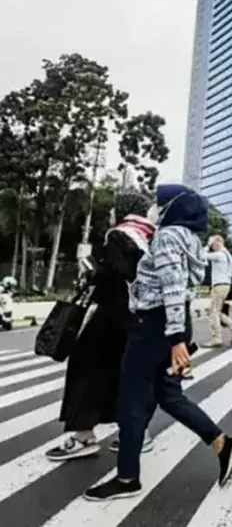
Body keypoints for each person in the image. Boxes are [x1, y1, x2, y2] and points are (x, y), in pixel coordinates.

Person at [84, 185, 232, 501]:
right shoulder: (191, 239)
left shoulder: (169, 236)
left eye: (159, 203)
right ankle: (222, 444)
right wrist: (177, 334)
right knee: (168, 395)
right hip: (170, 322)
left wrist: (175, 339)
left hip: (154, 325)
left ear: (173, 207)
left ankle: (127, 478)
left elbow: (172, 286)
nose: (153, 209)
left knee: (131, 400)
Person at [46, 191, 156, 462]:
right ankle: (136, 432)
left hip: (111, 317)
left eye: (113, 209)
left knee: (84, 367)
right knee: (124, 374)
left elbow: (118, 274)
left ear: (122, 210)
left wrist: (94, 270)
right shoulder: (147, 236)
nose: (109, 214)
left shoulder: (119, 235)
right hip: (137, 318)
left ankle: (83, 436)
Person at [206, 235, 232, 347]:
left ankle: (216, 338)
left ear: (216, 243)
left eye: (212, 245)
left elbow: (202, 256)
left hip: (219, 285)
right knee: (216, 311)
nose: (212, 247)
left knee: (214, 312)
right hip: (226, 285)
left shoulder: (219, 255)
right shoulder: (228, 256)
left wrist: (206, 247)